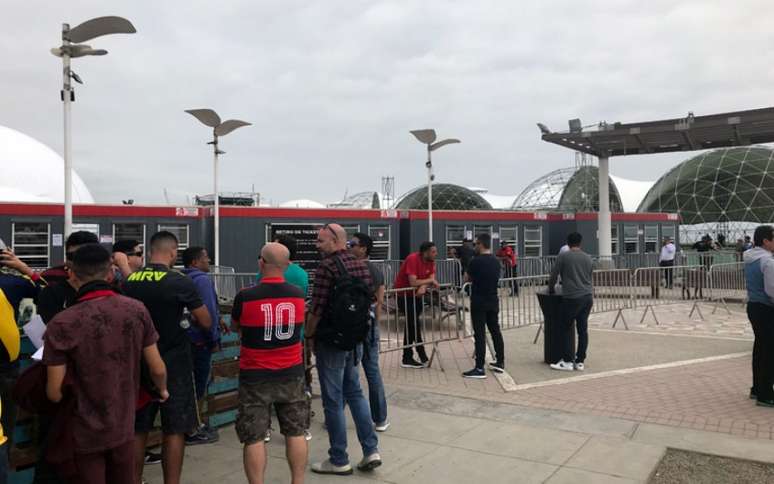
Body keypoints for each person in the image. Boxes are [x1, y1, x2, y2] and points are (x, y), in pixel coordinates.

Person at [43, 244, 168, 484]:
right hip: (123, 424)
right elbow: (157, 368)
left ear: (72, 274)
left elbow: (54, 392)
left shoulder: (62, 323)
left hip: (83, 430)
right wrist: (162, 390)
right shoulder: (135, 309)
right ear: (110, 274)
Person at [123, 231, 211, 484]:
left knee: (138, 427)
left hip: (138, 361)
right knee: (175, 428)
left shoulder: (130, 281)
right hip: (175, 361)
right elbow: (205, 320)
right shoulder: (179, 281)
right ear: (173, 252)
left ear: (150, 251)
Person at [306, 223, 381, 475]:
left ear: (336, 240)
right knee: (356, 393)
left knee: (333, 400)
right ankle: (371, 450)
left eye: (320, 241)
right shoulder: (361, 264)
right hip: (355, 339)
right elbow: (370, 298)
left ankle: (339, 459)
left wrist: (308, 335)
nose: (317, 245)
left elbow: (316, 308)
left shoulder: (327, 267)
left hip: (331, 342)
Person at [231, 243, 308, 484]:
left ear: (261, 263)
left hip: (255, 375)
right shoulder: (297, 293)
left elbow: (236, 327)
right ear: (286, 265)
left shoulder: (245, 296)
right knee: (295, 432)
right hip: (292, 373)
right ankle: (297, 480)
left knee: (253, 437)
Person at [256, 235, 311, 443]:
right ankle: (300, 426)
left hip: (266, 336)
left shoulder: (263, 273)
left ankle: (266, 427)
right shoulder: (302, 275)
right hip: (295, 337)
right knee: (297, 381)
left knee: (265, 385)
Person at [0, 246, 44, 456]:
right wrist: (23, 268)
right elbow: (48, 291)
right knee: (5, 430)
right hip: (6, 368)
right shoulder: (14, 283)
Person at [181, 247, 223, 445]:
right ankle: (192, 429)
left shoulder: (182, 278)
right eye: (206, 258)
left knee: (188, 384)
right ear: (195, 262)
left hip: (186, 339)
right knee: (198, 385)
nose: (209, 260)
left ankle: (189, 425)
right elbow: (208, 314)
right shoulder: (202, 280)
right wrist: (213, 339)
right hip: (200, 341)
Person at [348, 232, 389, 431]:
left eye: (353, 244)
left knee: (350, 372)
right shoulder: (377, 271)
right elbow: (379, 302)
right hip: (371, 325)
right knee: (372, 372)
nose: (349, 246)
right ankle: (380, 418)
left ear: (363, 248)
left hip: (354, 327)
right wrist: (375, 323)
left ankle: (336, 415)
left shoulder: (350, 269)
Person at [547, 232, 593, 372]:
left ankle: (567, 360)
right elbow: (589, 275)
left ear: (568, 243)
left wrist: (551, 289)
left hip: (572, 297)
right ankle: (580, 362)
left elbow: (554, 274)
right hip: (587, 296)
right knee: (582, 330)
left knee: (564, 328)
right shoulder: (588, 258)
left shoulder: (564, 256)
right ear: (580, 242)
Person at [462, 234, 505, 379]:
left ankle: (479, 368)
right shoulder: (496, 261)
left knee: (479, 334)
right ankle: (500, 362)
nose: (474, 246)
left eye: (476, 244)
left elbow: (466, 278)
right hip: (493, 300)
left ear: (481, 244)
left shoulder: (475, 261)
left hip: (479, 301)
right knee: (495, 331)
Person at [393, 241, 440, 368]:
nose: (436, 254)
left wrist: (424, 285)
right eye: (433, 251)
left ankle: (409, 357)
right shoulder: (413, 259)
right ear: (425, 252)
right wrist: (429, 281)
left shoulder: (430, 261)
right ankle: (418, 354)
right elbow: (413, 282)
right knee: (413, 324)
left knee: (412, 325)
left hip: (417, 296)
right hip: (404, 296)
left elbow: (431, 274)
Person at [37, 231, 99, 324]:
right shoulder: (51, 288)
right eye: (74, 256)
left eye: (86, 255)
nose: (80, 261)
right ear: (67, 258)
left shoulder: (112, 287)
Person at [743, 225, 774, 407]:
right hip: (767, 309)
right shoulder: (768, 262)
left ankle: (757, 388)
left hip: (753, 306)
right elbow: (772, 290)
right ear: (766, 241)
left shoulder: (749, 258)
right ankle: (765, 394)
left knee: (760, 349)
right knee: (769, 352)